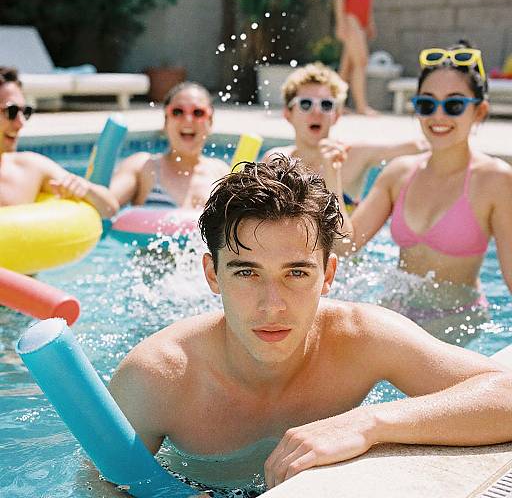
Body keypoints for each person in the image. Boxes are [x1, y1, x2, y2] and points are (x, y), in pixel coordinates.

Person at [108, 156, 512, 494]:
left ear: (328, 274)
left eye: (296, 273)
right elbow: (105, 485)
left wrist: (367, 423)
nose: (273, 305)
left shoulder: (361, 338)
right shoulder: (157, 377)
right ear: (212, 274)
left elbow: (504, 394)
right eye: (247, 273)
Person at [339, 42, 512, 339]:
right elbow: (347, 244)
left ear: (480, 111)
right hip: (394, 317)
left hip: (457, 324)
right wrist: (333, 173)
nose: (439, 116)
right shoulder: (398, 173)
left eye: (454, 105)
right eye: (427, 104)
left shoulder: (495, 181)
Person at [263, 62, 429, 203]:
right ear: (288, 114)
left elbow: (418, 146)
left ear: (336, 115)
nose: (317, 112)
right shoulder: (275, 160)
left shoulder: (353, 156)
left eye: (326, 105)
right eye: (306, 104)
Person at [0, 67, 118, 218]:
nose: (21, 123)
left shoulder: (30, 168)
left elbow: (110, 208)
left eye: (26, 112)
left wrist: (84, 188)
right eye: (11, 111)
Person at [109, 82, 230, 211]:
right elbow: (106, 205)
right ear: (166, 122)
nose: (188, 119)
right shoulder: (143, 166)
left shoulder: (221, 174)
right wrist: (85, 189)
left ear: (210, 122)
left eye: (198, 112)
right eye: (177, 112)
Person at [334, 0, 377, 115]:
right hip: (350, 20)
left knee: (347, 67)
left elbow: (367, 2)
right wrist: (341, 24)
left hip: (361, 23)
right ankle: (361, 106)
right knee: (361, 61)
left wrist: (370, 22)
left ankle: (337, 105)